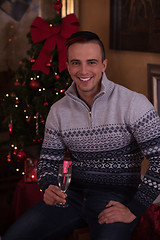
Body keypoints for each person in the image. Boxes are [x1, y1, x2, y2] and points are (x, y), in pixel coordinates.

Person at [2, 31, 160, 240]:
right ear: (67, 66)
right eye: (76, 62)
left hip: (115, 200)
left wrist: (133, 208)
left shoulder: (134, 104)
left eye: (91, 62)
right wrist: (48, 185)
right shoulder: (58, 110)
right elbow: (49, 161)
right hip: (71, 198)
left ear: (104, 65)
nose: (83, 70)